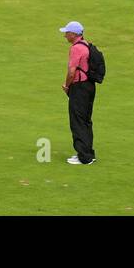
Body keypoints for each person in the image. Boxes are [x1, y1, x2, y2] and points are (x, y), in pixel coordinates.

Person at [59, 20, 96, 165]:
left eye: (67, 33)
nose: (65, 36)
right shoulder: (86, 44)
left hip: (79, 87)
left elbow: (71, 72)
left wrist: (67, 86)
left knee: (78, 121)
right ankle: (88, 153)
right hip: (89, 86)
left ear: (74, 34)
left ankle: (84, 157)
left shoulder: (76, 49)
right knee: (85, 120)